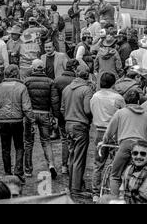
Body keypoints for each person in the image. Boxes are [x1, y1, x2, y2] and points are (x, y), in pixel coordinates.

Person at [100, 89, 147, 197]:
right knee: (139, 177)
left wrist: (104, 141)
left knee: (115, 175)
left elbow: (110, 131)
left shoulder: (120, 113)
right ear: (138, 102)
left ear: (125, 101)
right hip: (141, 147)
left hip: (125, 145)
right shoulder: (145, 115)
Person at [0, 65, 33, 183]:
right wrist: (31, 121)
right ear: (16, 74)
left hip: (3, 121)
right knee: (19, 146)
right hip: (17, 120)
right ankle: (18, 173)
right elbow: (26, 107)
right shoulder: (21, 87)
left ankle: (7, 173)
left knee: (5, 148)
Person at [90, 72, 126, 202]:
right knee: (118, 164)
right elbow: (124, 113)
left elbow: (92, 111)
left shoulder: (95, 96)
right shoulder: (118, 98)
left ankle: (95, 193)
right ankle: (115, 191)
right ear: (113, 83)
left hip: (99, 131)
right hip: (115, 133)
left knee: (98, 163)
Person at [61, 65, 94, 195]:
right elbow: (87, 110)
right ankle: (76, 187)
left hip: (68, 124)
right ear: (87, 75)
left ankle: (73, 185)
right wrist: (91, 117)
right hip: (80, 125)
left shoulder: (67, 89)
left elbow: (62, 109)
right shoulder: (86, 90)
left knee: (72, 156)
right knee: (79, 157)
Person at [24, 59, 60, 179]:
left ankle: (28, 170)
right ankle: (51, 164)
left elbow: (24, 100)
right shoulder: (50, 82)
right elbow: (54, 101)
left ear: (33, 69)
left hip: (31, 114)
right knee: (46, 141)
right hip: (45, 114)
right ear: (43, 69)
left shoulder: (27, 82)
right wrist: (55, 116)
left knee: (29, 142)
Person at [53, 59, 79, 175]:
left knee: (64, 140)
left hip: (62, 114)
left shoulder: (57, 80)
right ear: (74, 68)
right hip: (75, 114)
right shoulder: (77, 81)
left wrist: (55, 114)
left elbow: (54, 100)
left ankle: (64, 166)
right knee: (75, 141)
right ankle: (73, 165)